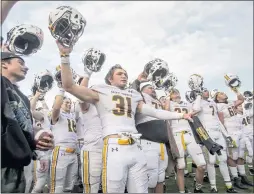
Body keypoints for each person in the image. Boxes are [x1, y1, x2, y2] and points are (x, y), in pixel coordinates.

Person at [57, 40, 192, 193]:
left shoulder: (133, 94)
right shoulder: (101, 91)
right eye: (119, 73)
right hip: (115, 146)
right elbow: (69, 86)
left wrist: (181, 115)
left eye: (125, 74)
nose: (124, 76)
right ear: (110, 79)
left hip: (136, 146)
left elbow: (154, 112)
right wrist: (65, 55)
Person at [1, 52, 53, 192]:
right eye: (20, 62)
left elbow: (21, 127)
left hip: (17, 165)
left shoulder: (23, 97)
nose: (26, 67)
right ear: (3, 63)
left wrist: (37, 140)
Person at [192, 89, 237, 193]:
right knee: (211, 161)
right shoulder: (197, 102)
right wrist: (198, 96)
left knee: (223, 159)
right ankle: (213, 186)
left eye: (207, 90)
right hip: (207, 133)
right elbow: (196, 109)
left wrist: (226, 135)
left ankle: (229, 185)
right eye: (203, 91)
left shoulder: (212, 103)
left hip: (218, 132)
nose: (206, 92)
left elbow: (217, 119)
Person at [164, 89, 206, 193]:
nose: (176, 94)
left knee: (202, 165)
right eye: (173, 92)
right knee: (181, 167)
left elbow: (197, 109)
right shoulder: (169, 103)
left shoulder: (186, 104)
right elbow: (165, 112)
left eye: (177, 92)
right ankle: (182, 192)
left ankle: (198, 188)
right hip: (176, 136)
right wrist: (168, 98)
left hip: (189, 134)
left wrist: (199, 95)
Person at [214, 89, 252, 188]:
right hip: (231, 132)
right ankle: (235, 178)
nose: (224, 93)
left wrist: (235, 89)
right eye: (221, 93)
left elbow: (241, 99)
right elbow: (221, 122)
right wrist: (226, 136)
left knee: (241, 155)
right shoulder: (218, 106)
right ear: (217, 98)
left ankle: (243, 176)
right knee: (232, 156)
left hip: (239, 131)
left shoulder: (230, 102)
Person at [135, 81, 169, 193]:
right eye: (150, 88)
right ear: (142, 89)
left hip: (161, 144)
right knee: (150, 178)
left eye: (153, 88)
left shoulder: (157, 101)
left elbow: (166, 113)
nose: (153, 89)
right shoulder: (140, 97)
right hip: (148, 142)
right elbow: (134, 89)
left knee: (160, 178)